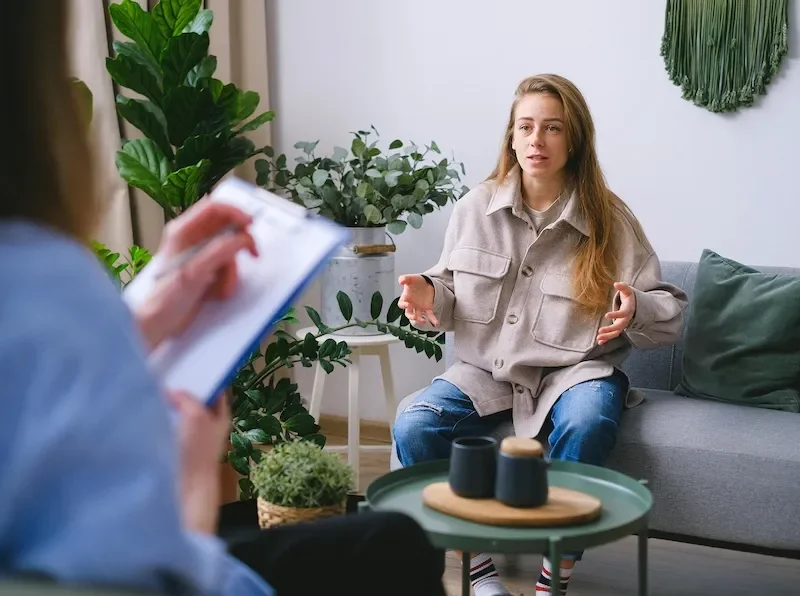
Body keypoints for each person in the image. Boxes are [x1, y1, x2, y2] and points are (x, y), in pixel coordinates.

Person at [0, 3, 446, 596]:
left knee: (382, 540)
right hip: (181, 566)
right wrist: (190, 485)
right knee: (393, 547)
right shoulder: (38, 267)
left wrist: (150, 301)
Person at [393, 73, 688, 596]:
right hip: (486, 374)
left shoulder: (611, 220)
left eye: (552, 128)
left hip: (576, 374)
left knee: (589, 420)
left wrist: (634, 308)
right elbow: (448, 291)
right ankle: (479, 570)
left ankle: (556, 574)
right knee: (415, 425)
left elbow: (670, 310)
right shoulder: (474, 209)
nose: (537, 139)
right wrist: (426, 294)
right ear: (510, 136)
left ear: (573, 140)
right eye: (525, 126)